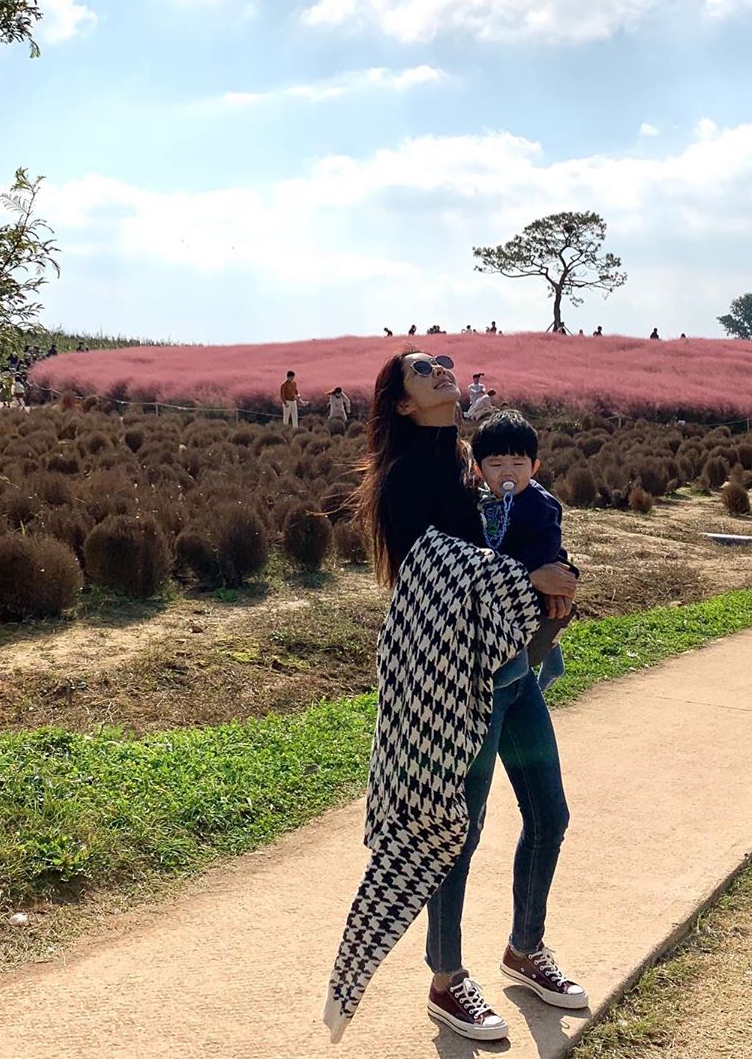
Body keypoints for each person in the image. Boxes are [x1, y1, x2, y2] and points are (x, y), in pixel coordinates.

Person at [327, 350, 584, 1043]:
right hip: (458, 685)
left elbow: (505, 535)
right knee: (454, 832)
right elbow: (434, 571)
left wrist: (553, 568)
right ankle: (447, 979)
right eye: (422, 371)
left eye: (443, 363)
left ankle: (525, 948)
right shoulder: (406, 477)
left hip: (511, 670)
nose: (442, 370)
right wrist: (529, 579)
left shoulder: (464, 462)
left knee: (549, 813)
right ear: (404, 403)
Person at [472, 410, 575, 695]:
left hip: (530, 584)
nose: (508, 472)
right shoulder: (481, 501)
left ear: (534, 467)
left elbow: (548, 545)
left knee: (539, 621)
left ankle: (536, 660)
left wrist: (521, 570)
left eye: (518, 463)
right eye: (496, 464)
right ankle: (545, 657)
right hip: (502, 588)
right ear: (479, 470)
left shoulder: (539, 504)